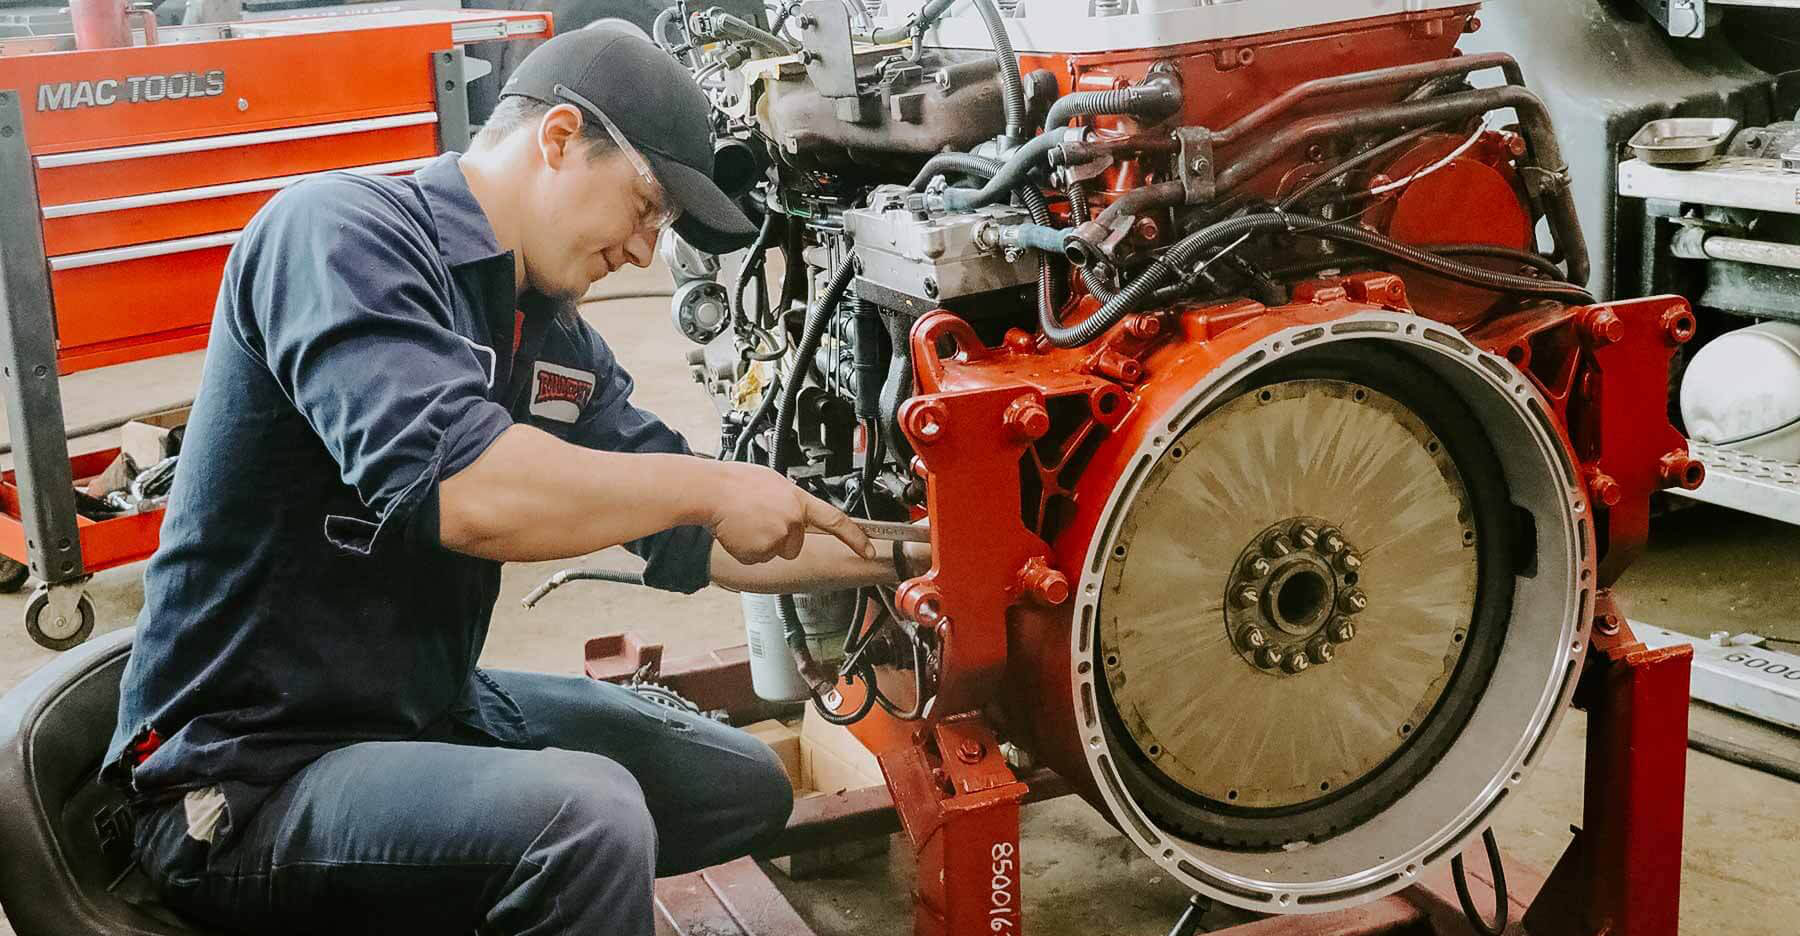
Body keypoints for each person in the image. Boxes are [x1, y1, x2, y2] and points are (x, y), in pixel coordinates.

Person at [104, 24, 902, 936]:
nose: (647, 251)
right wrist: (711, 486)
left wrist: (913, 558)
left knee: (736, 786)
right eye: (646, 206)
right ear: (558, 138)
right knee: (585, 819)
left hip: (422, 716)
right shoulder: (339, 234)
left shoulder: (547, 335)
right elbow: (468, 491)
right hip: (249, 779)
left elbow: (703, 533)